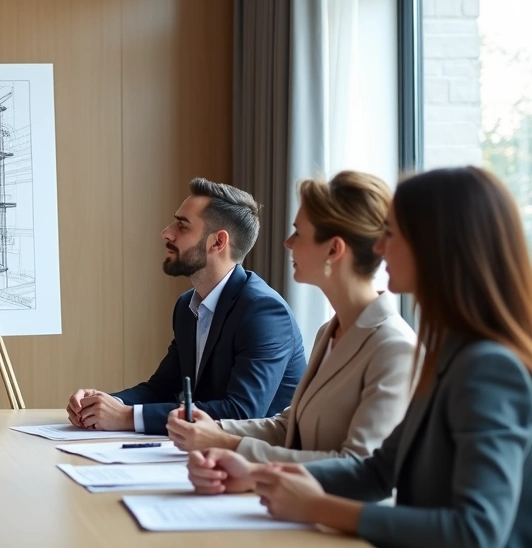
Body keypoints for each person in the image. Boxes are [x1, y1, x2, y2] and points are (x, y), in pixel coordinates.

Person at [189, 167, 532, 548]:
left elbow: (477, 532)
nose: (380, 249)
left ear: (436, 247)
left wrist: (317, 507)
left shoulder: (488, 367)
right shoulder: (446, 353)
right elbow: (377, 470)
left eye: (392, 234)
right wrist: (256, 475)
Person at [167, 171, 415, 462]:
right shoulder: (329, 332)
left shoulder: (395, 347)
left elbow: (359, 465)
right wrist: (214, 430)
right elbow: (290, 427)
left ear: (333, 249)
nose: (287, 242)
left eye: (298, 232)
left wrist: (231, 447)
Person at [67, 178, 306, 433]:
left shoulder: (263, 311)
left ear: (217, 242)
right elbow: (163, 387)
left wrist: (127, 417)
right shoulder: (186, 306)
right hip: (203, 455)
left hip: (258, 463)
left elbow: (242, 413)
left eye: (182, 226)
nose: (167, 232)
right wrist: (105, 404)